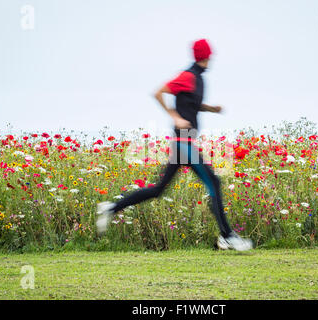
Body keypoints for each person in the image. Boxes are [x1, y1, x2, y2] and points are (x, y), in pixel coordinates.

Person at [96, 39, 253, 251]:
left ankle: (111, 208)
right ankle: (227, 236)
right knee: (213, 182)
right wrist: (174, 116)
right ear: (207, 55)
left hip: (183, 143)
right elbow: (158, 92)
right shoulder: (188, 76)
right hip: (183, 141)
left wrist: (211, 109)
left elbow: (192, 104)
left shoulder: (197, 78)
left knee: (158, 190)